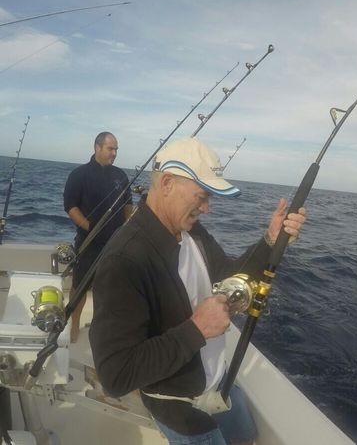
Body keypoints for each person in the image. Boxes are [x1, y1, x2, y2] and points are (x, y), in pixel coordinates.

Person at [89, 137, 306, 445]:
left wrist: (270, 240)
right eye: (202, 196)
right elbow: (116, 376)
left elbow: (230, 277)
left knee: (247, 439)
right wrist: (197, 328)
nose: (207, 208)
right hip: (180, 407)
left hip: (220, 383)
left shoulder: (192, 231)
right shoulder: (124, 261)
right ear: (167, 183)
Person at [63, 131, 133, 343]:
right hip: (89, 242)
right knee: (80, 286)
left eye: (116, 149)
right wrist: (90, 228)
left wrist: (126, 228)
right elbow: (71, 207)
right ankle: (74, 324)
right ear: (97, 147)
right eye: (110, 149)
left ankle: (101, 327)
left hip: (116, 243)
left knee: (110, 288)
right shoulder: (79, 174)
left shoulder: (121, 176)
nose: (114, 153)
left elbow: (128, 205)